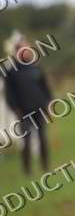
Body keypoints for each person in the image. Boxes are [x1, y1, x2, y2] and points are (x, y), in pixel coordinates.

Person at [3, 31, 53, 175]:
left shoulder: (35, 67)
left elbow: (45, 87)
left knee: (43, 138)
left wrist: (48, 102)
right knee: (27, 141)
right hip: (23, 111)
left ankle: (45, 167)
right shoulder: (11, 71)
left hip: (40, 108)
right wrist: (15, 108)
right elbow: (9, 93)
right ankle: (27, 171)